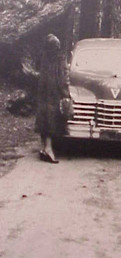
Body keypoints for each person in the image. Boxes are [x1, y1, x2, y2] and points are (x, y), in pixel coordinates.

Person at [35, 34, 71, 163]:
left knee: (43, 117)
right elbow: (63, 78)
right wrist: (66, 94)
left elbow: (39, 73)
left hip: (43, 90)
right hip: (54, 91)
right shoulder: (60, 58)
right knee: (51, 119)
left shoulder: (43, 57)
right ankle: (49, 150)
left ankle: (44, 148)